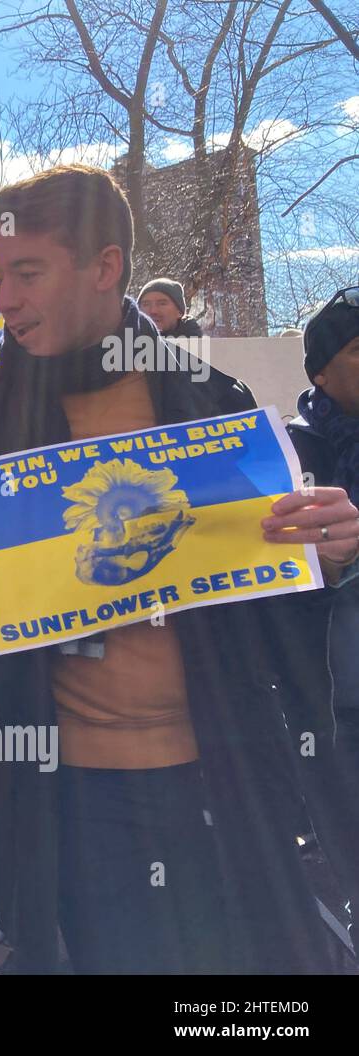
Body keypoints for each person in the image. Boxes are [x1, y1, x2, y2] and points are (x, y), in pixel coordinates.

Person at [0, 164, 359, 974]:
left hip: (222, 786)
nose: (3, 299)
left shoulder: (214, 405)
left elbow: (274, 605)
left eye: (27, 273)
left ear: (105, 267)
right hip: (69, 805)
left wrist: (327, 558)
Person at [287, 284, 359, 942]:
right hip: (333, 714)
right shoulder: (288, 459)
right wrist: (329, 564)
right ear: (320, 371)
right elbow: (271, 597)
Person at [138, 277, 203, 340]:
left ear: (179, 312)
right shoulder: (130, 345)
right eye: (146, 304)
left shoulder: (200, 348)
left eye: (162, 303)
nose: (153, 311)